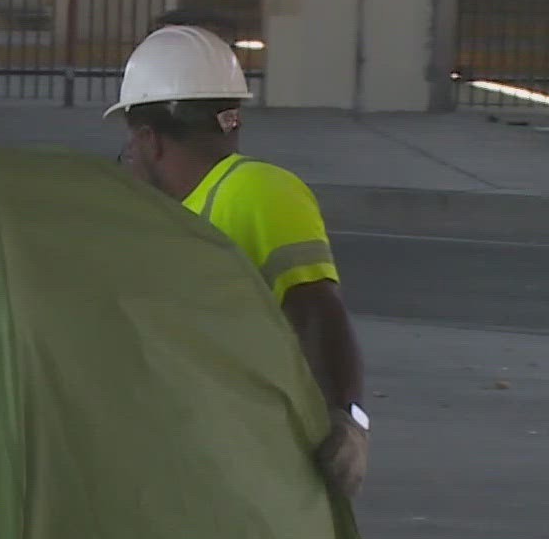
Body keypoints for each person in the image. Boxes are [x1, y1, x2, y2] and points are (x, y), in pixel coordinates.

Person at [108, 25, 370, 497]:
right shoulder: (178, 207)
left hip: (247, 461)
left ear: (150, 139)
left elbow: (316, 307)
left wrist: (346, 417)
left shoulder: (258, 189)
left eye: (129, 140)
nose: (126, 155)